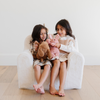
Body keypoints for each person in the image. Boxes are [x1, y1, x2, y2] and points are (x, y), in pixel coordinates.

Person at [49, 19, 77, 97]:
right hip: (55, 56)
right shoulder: (54, 36)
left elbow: (72, 49)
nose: (59, 31)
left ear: (67, 29)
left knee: (63, 64)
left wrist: (60, 46)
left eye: (61, 29)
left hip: (64, 57)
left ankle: (61, 87)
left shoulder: (70, 38)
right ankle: (51, 86)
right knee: (57, 62)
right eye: (57, 29)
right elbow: (49, 43)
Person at [30, 24, 52, 94]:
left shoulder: (48, 41)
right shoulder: (35, 43)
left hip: (46, 59)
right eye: (41, 34)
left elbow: (50, 51)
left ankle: (39, 85)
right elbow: (33, 54)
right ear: (37, 34)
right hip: (38, 59)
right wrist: (36, 49)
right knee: (36, 66)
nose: (44, 35)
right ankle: (41, 87)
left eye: (45, 33)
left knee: (48, 66)